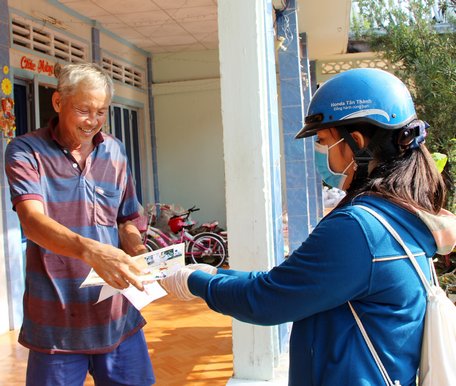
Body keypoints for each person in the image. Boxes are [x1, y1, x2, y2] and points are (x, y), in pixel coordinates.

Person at [160, 68, 456, 385]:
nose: (319, 151)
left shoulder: (358, 228)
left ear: (357, 142)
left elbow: (266, 300)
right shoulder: (400, 214)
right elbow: (289, 284)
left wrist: (197, 285)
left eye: (324, 140)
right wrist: (214, 274)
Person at [5, 63, 155, 386]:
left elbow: (126, 217)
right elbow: (32, 222)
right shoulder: (26, 152)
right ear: (58, 103)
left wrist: (140, 251)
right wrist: (93, 252)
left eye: (101, 111)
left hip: (116, 315)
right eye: (84, 110)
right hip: (56, 322)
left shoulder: (114, 150)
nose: (94, 121)